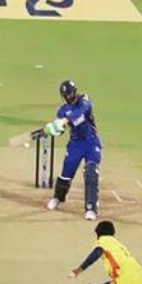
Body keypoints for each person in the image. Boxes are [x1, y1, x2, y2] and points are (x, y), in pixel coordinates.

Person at [43, 80, 101, 220]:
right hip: (75, 144)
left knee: (91, 172)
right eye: (65, 95)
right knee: (65, 174)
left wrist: (64, 120)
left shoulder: (84, 100)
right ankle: (58, 198)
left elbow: (82, 111)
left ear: (74, 92)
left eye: (69, 94)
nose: (68, 97)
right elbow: (61, 130)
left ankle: (91, 208)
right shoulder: (62, 110)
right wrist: (55, 129)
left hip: (91, 142)